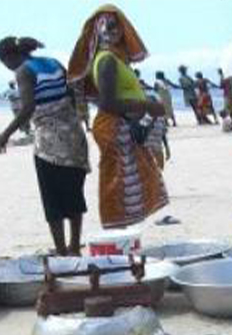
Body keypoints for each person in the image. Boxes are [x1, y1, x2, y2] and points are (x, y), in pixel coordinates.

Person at [68, 5, 168, 229]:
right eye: (107, 26)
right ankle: (116, 235)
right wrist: (148, 105)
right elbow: (108, 102)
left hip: (123, 125)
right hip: (114, 126)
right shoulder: (106, 61)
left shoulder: (116, 59)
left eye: (116, 26)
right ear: (98, 31)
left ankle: (123, 236)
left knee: (129, 184)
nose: (113, 30)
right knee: (118, 183)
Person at [0, 37, 90, 257]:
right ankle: (75, 247)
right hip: (75, 137)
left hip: (49, 144)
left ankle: (61, 251)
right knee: (75, 195)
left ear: (7, 58)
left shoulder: (23, 71)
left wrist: (4, 135)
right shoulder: (53, 63)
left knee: (53, 202)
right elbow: (72, 94)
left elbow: (28, 107)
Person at [143, 97, 171, 169]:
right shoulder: (143, 118)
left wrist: (167, 148)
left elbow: (163, 134)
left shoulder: (161, 118)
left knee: (160, 171)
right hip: (147, 149)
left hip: (158, 149)